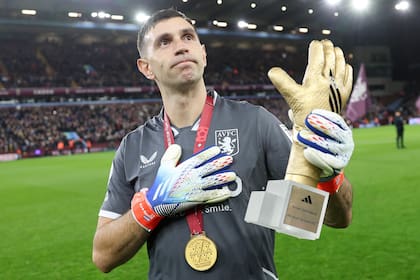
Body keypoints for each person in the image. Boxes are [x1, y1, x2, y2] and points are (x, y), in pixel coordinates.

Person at [92, 8, 354, 279]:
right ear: (146, 67)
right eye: (165, 42)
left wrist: (328, 175)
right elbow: (103, 256)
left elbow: (330, 217)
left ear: (203, 53)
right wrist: (151, 207)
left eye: (188, 37)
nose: (181, 47)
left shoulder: (255, 122)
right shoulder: (134, 146)